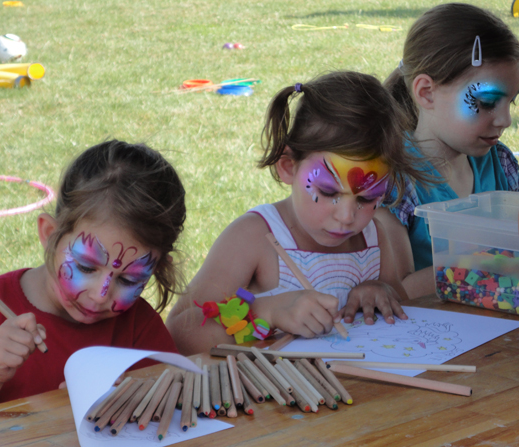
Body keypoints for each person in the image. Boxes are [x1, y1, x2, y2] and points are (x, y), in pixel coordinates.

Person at [167, 71, 428, 356]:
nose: (346, 216)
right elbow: (181, 332)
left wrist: (379, 291)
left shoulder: (374, 239)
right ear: (289, 166)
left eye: (367, 198)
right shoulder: (255, 237)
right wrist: (266, 312)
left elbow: (401, 310)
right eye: (329, 192)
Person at [0, 140, 186, 410]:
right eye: (86, 267)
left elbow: (176, 399)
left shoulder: (137, 327)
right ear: (50, 235)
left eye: (128, 280)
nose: (100, 295)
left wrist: (126, 401)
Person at [378, 3, 519, 299]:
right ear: (426, 92)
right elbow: (395, 289)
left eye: (512, 102)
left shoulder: (502, 163)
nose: (505, 120)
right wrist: (483, 260)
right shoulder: (395, 181)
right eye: (488, 102)